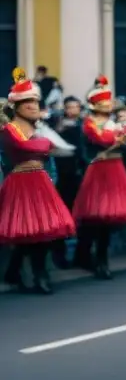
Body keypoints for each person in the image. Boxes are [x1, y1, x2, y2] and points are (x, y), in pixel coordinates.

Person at [0, 69, 77, 294]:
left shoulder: (39, 129)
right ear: (16, 107)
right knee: (28, 233)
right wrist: (45, 143)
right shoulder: (9, 130)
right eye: (27, 102)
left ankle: (27, 272)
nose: (34, 106)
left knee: (41, 232)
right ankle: (35, 274)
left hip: (40, 181)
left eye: (35, 101)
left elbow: (58, 149)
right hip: (21, 183)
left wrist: (45, 142)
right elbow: (28, 147)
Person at [72, 75, 126, 279]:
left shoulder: (115, 123)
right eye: (104, 101)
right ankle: (86, 255)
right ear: (95, 104)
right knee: (95, 218)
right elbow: (102, 139)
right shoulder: (89, 123)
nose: (109, 104)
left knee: (107, 219)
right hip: (98, 170)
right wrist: (121, 135)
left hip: (115, 168)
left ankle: (100, 257)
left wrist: (125, 134)